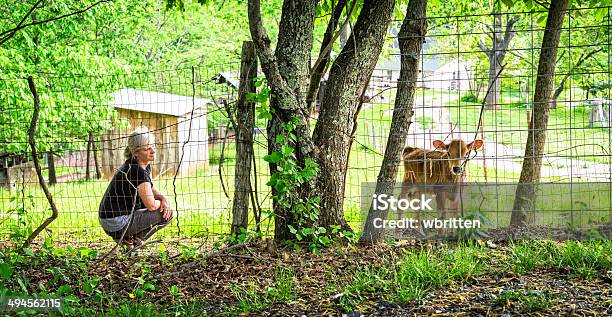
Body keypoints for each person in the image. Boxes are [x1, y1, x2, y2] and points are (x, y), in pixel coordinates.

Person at [98, 126, 174, 246]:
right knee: (166, 212)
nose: (153, 151)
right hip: (116, 222)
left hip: (109, 219)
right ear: (135, 152)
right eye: (147, 149)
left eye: (153, 146)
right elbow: (152, 205)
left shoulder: (139, 166)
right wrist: (164, 204)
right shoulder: (136, 171)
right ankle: (132, 241)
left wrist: (164, 198)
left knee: (162, 207)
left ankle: (129, 240)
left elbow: (150, 188)